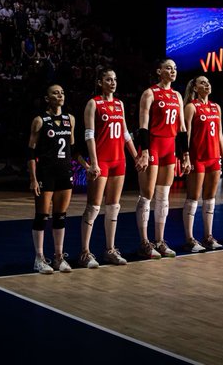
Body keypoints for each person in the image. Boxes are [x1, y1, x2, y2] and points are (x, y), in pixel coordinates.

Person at [80, 67, 140, 268]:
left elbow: (125, 134)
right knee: (94, 207)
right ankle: (85, 252)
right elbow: (89, 135)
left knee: (114, 207)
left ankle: (110, 250)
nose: (113, 83)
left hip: (118, 161)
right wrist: (94, 163)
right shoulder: (93, 104)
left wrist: (136, 156)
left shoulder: (119, 104)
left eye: (114, 79)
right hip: (102, 161)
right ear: (100, 82)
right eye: (108, 79)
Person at [134, 58, 189, 259]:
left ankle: (159, 241)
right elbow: (143, 126)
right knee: (147, 195)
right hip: (153, 146)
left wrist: (185, 155)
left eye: (175, 68)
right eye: (168, 67)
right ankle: (144, 242)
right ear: (159, 71)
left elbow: (182, 129)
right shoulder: (150, 93)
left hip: (169, 148)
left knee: (164, 197)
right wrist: (145, 151)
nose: (173, 71)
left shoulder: (176, 95)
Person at [27, 84, 77, 273]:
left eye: (62, 92)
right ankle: (39, 258)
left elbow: (73, 147)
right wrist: (33, 178)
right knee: (42, 216)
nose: (60, 95)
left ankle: (58, 257)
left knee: (60, 216)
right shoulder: (40, 121)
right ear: (47, 98)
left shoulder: (70, 119)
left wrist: (87, 166)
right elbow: (30, 152)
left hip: (65, 173)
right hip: (45, 174)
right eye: (55, 93)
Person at [182, 74, 223, 252]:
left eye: (208, 82)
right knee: (193, 198)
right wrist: (186, 157)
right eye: (202, 83)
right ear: (195, 88)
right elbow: (187, 135)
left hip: (214, 158)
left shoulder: (216, 107)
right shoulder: (191, 107)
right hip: (197, 158)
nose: (207, 85)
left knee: (210, 198)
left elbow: (220, 134)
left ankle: (208, 236)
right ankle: (190, 238)